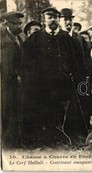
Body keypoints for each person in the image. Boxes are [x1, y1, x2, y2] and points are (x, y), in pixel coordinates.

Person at [22, 7, 85, 147]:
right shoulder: (35, 39)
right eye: (50, 17)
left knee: (67, 112)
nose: (53, 20)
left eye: (56, 17)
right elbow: (26, 62)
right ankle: (49, 140)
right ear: (44, 20)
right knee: (46, 112)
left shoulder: (66, 38)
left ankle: (67, 138)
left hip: (65, 83)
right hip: (44, 85)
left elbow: (76, 61)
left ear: (58, 20)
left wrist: (77, 77)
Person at [59, 8, 92, 133]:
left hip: (80, 76)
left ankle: (82, 131)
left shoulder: (79, 38)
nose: (67, 22)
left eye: (69, 19)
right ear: (60, 21)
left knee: (83, 102)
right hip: (64, 77)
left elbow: (86, 57)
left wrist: (87, 74)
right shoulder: (58, 37)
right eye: (64, 19)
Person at [0, 11, 24, 148]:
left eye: (21, 23)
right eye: (16, 23)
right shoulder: (3, 40)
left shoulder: (17, 37)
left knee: (15, 110)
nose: (19, 26)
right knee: (6, 110)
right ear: (6, 23)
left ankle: (13, 141)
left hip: (14, 83)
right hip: (5, 83)